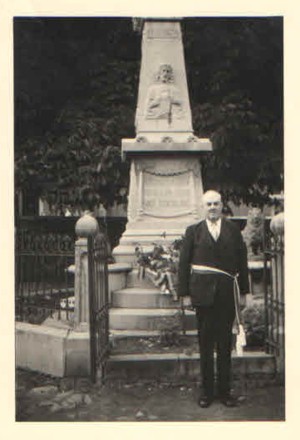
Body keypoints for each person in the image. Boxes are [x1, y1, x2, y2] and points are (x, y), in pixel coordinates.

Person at [178, 190, 251, 408]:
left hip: (227, 296)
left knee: (224, 344)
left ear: (222, 206)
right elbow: (183, 264)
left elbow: (242, 262)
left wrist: (245, 293)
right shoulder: (193, 232)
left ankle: (225, 392)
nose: (212, 207)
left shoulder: (233, 230)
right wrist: (185, 294)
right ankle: (207, 393)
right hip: (203, 297)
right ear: (203, 207)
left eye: (216, 204)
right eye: (208, 204)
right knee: (206, 345)